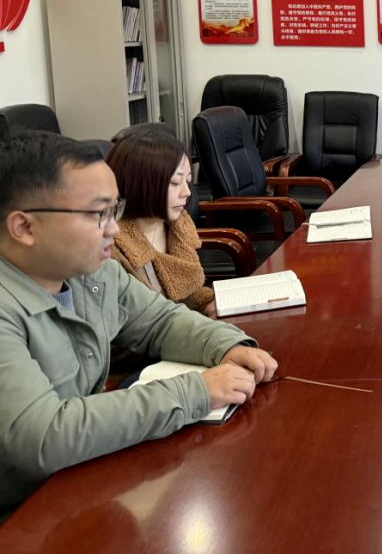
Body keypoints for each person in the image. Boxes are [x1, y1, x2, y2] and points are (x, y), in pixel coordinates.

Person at [0, 131, 277, 519]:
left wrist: (227, 345)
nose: (114, 228)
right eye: (98, 214)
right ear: (25, 227)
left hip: (81, 482)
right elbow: (42, 436)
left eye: (115, 210)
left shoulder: (93, 272)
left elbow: (161, 321)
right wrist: (196, 392)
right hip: (23, 515)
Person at [106, 129, 215, 316]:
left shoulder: (176, 224)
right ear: (140, 183)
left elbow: (186, 291)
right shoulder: (112, 246)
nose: (187, 192)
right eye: (175, 183)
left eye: (188, 181)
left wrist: (208, 303)